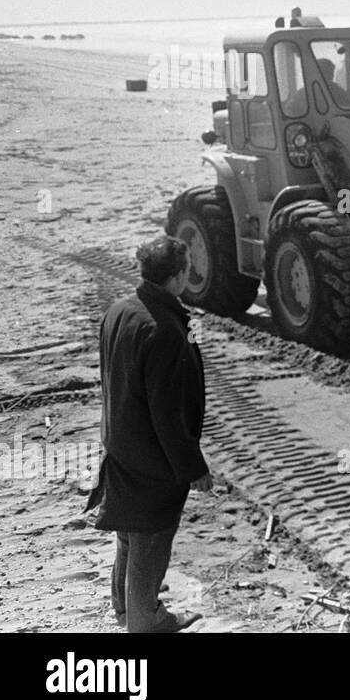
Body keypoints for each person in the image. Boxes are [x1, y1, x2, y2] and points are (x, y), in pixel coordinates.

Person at [88, 235, 212, 633]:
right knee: (152, 537)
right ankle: (145, 622)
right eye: (187, 268)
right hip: (152, 456)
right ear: (176, 278)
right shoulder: (164, 331)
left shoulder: (119, 310)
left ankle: (126, 608)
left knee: (128, 530)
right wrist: (193, 467)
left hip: (121, 442)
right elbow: (168, 413)